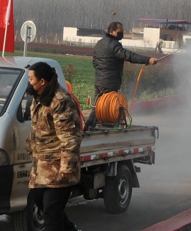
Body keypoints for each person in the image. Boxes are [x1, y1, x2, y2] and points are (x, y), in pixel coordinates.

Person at [25, 61, 81, 231]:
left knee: (51, 212)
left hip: (58, 168)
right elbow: (37, 127)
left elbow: (69, 137)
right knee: (39, 200)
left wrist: (67, 168)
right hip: (41, 166)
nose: (29, 83)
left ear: (42, 81)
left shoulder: (60, 101)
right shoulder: (39, 98)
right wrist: (30, 147)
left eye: (31, 79)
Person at [89, 22, 158, 126]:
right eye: (120, 31)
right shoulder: (113, 44)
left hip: (99, 81)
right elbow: (128, 56)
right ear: (111, 31)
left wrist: (101, 71)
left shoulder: (100, 43)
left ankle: (88, 127)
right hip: (109, 82)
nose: (122, 33)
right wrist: (148, 60)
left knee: (98, 107)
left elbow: (94, 62)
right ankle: (104, 129)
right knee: (108, 109)